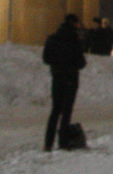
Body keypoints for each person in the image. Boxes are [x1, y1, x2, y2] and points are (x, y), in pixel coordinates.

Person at [41, 13, 87, 152]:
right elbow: (81, 62)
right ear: (74, 24)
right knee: (66, 112)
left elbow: (46, 58)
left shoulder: (53, 39)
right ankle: (63, 143)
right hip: (71, 79)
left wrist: (57, 64)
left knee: (55, 111)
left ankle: (48, 144)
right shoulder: (74, 40)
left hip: (57, 77)